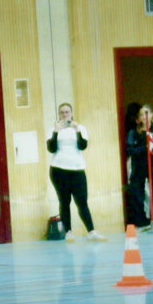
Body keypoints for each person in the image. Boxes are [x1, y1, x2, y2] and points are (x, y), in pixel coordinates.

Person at [48, 102, 100, 240]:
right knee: (64, 201)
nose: (65, 114)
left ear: (71, 113)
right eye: (62, 112)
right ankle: (68, 232)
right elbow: (51, 149)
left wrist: (77, 129)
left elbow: (82, 146)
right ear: (59, 115)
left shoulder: (80, 128)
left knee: (82, 201)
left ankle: (91, 231)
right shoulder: (53, 129)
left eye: (67, 112)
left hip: (77, 169)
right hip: (58, 169)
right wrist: (56, 131)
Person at [122, 103, 153, 233]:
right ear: (138, 118)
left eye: (146, 114)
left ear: (151, 115)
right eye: (142, 114)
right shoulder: (133, 133)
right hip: (138, 167)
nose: (144, 117)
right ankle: (140, 220)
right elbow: (130, 150)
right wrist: (145, 148)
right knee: (136, 192)